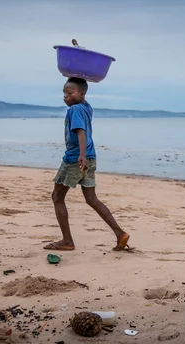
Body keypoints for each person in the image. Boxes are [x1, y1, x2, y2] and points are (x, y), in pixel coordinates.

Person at [43, 78, 129, 251]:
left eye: (70, 93)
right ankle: (120, 233)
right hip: (90, 157)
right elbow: (79, 85)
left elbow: (80, 132)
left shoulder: (75, 109)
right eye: (64, 93)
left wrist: (80, 155)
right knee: (91, 199)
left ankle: (67, 241)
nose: (65, 96)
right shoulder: (86, 107)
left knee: (57, 197)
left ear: (81, 94)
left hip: (76, 158)